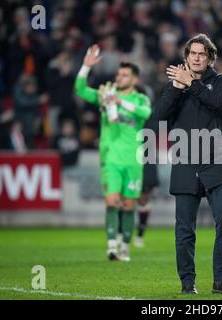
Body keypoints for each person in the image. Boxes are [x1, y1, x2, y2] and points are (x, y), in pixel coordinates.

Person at [156, 34, 222, 294]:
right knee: (184, 229)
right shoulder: (176, 84)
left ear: (210, 58)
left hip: (213, 160)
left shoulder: (220, 81)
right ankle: (187, 284)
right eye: (192, 53)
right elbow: (159, 118)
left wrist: (191, 83)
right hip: (184, 161)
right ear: (186, 57)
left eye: (201, 54)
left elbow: (216, 102)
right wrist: (177, 87)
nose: (196, 57)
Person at [74, 44, 152, 261]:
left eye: (125, 75)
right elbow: (80, 90)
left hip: (133, 160)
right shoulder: (105, 94)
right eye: (119, 74)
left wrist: (120, 102)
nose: (119, 78)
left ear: (134, 80)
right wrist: (84, 68)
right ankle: (111, 247)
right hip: (110, 158)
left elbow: (146, 112)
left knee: (128, 204)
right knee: (111, 201)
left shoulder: (140, 99)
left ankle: (124, 246)